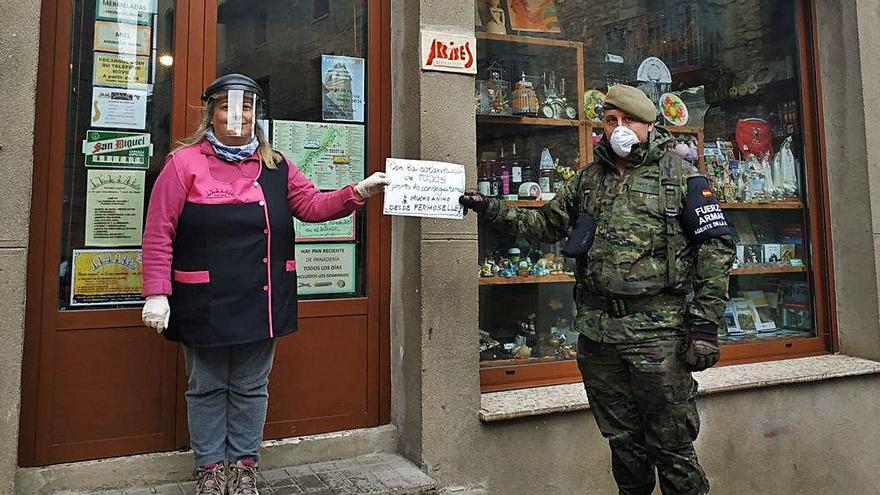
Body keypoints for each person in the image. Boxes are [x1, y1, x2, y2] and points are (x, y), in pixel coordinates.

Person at [460, 84, 734, 495]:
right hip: (600, 337)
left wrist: (705, 328)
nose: (619, 129)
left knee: (672, 448)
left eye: (628, 121)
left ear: (649, 125)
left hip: (658, 337)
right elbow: (548, 225)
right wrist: (491, 208)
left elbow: (716, 250)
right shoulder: (588, 180)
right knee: (623, 446)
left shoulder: (683, 178)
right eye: (610, 121)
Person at [140, 73, 389, 495]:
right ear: (211, 114)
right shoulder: (183, 164)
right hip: (204, 299)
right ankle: (210, 470)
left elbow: (310, 205)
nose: (236, 116)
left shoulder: (276, 164)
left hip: (263, 296)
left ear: (257, 116)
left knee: (252, 387)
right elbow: (159, 231)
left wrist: (357, 192)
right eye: (226, 107)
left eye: (247, 108)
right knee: (207, 387)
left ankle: (243, 467)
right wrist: (157, 292)